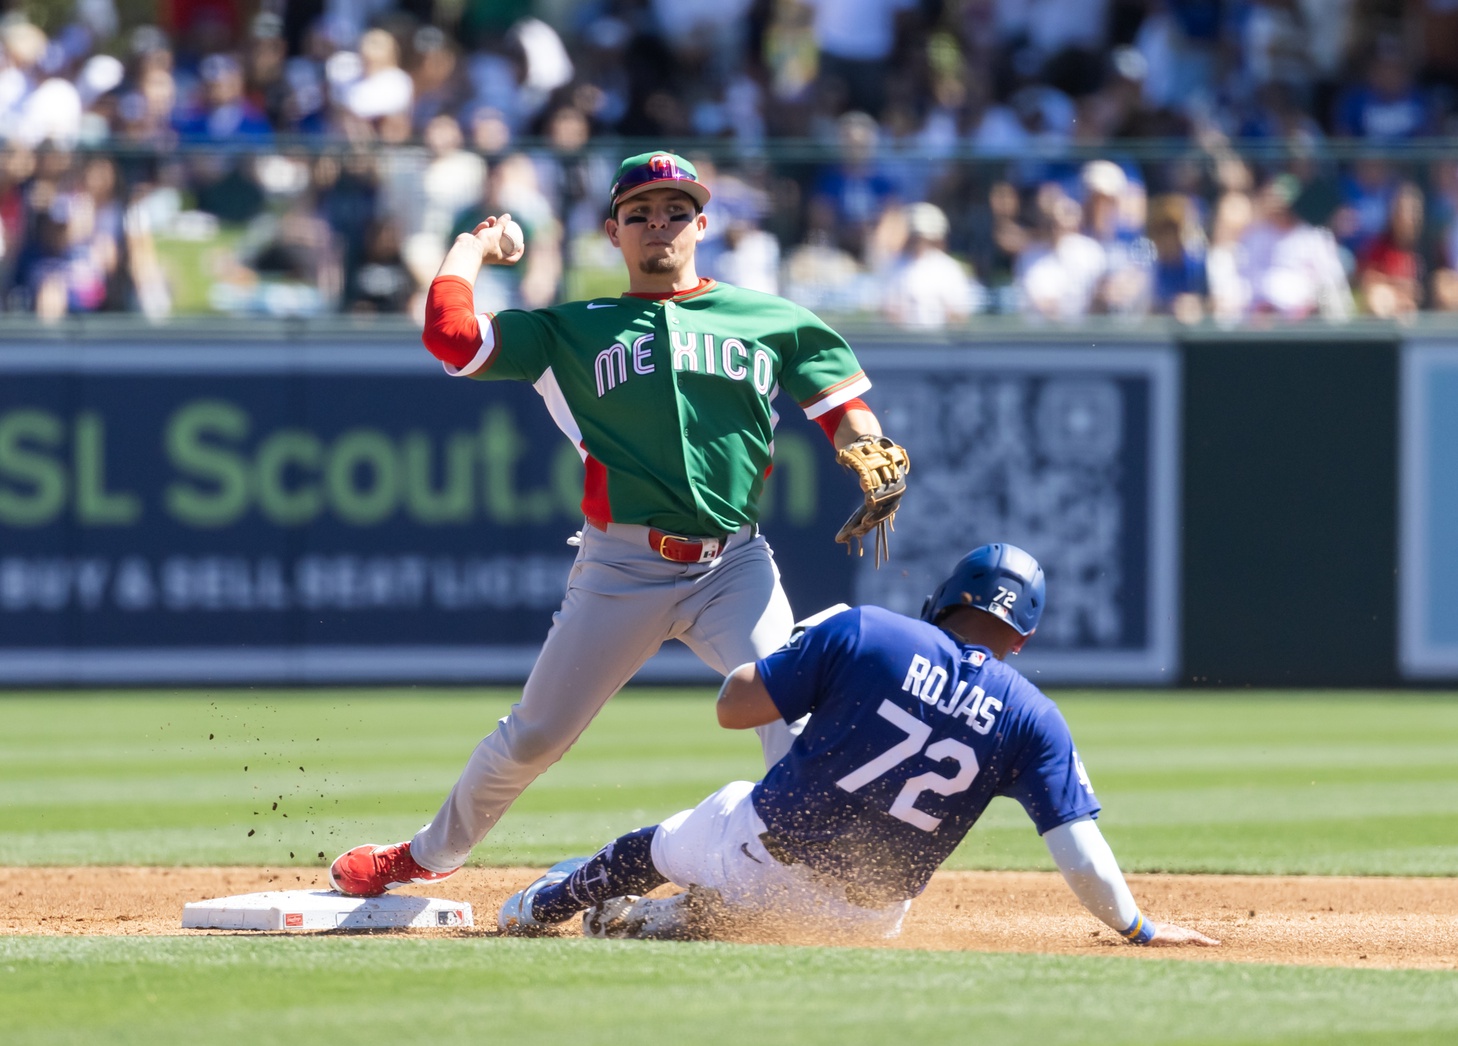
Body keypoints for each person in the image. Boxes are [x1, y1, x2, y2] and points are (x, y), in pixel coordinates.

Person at [329, 150, 901, 897]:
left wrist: (863, 443)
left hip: (735, 565)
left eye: (674, 211)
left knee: (790, 713)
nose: (658, 224)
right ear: (613, 232)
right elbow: (452, 339)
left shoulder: (771, 320)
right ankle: (427, 856)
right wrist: (473, 247)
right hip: (622, 567)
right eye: (639, 214)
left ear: (703, 224)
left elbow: (843, 409)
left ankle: (825, 869)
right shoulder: (572, 332)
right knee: (534, 734)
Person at [495, 543, 1221, 949]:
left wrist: (808, 648)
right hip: (868, 921)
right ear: (1023, 637)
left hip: (756, 857)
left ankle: (538, 909)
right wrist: (1138, 927)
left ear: (943, 598)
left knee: (652, 847)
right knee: (737, 895)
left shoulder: (869, 629)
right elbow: (1080, 853)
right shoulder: (1035, 717)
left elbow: (733, 707)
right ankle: (678, 923)